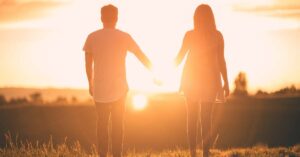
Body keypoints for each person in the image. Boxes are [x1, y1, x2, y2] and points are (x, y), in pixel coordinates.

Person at [83, 4, 152, 157]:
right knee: (118, 125)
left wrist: (90, 83)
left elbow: (88, 64)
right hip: (120, 89)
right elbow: (140, 55)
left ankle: (102, 155)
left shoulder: (92, 37)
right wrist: (154, 72)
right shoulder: (124, 36)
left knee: (101, 125)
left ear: (101, 18)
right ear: (117, 18)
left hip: (100, 89)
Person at [174, 4, 229, 157]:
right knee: (206, 119)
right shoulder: (217, 35)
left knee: (191, 118)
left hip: (191, 80)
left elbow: (180, 56)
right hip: (210, 81)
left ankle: (193, 153)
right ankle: (205, 153)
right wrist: (226, 82)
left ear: (195, 18)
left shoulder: (190, 35)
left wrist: (163, 72)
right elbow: (221, 61)